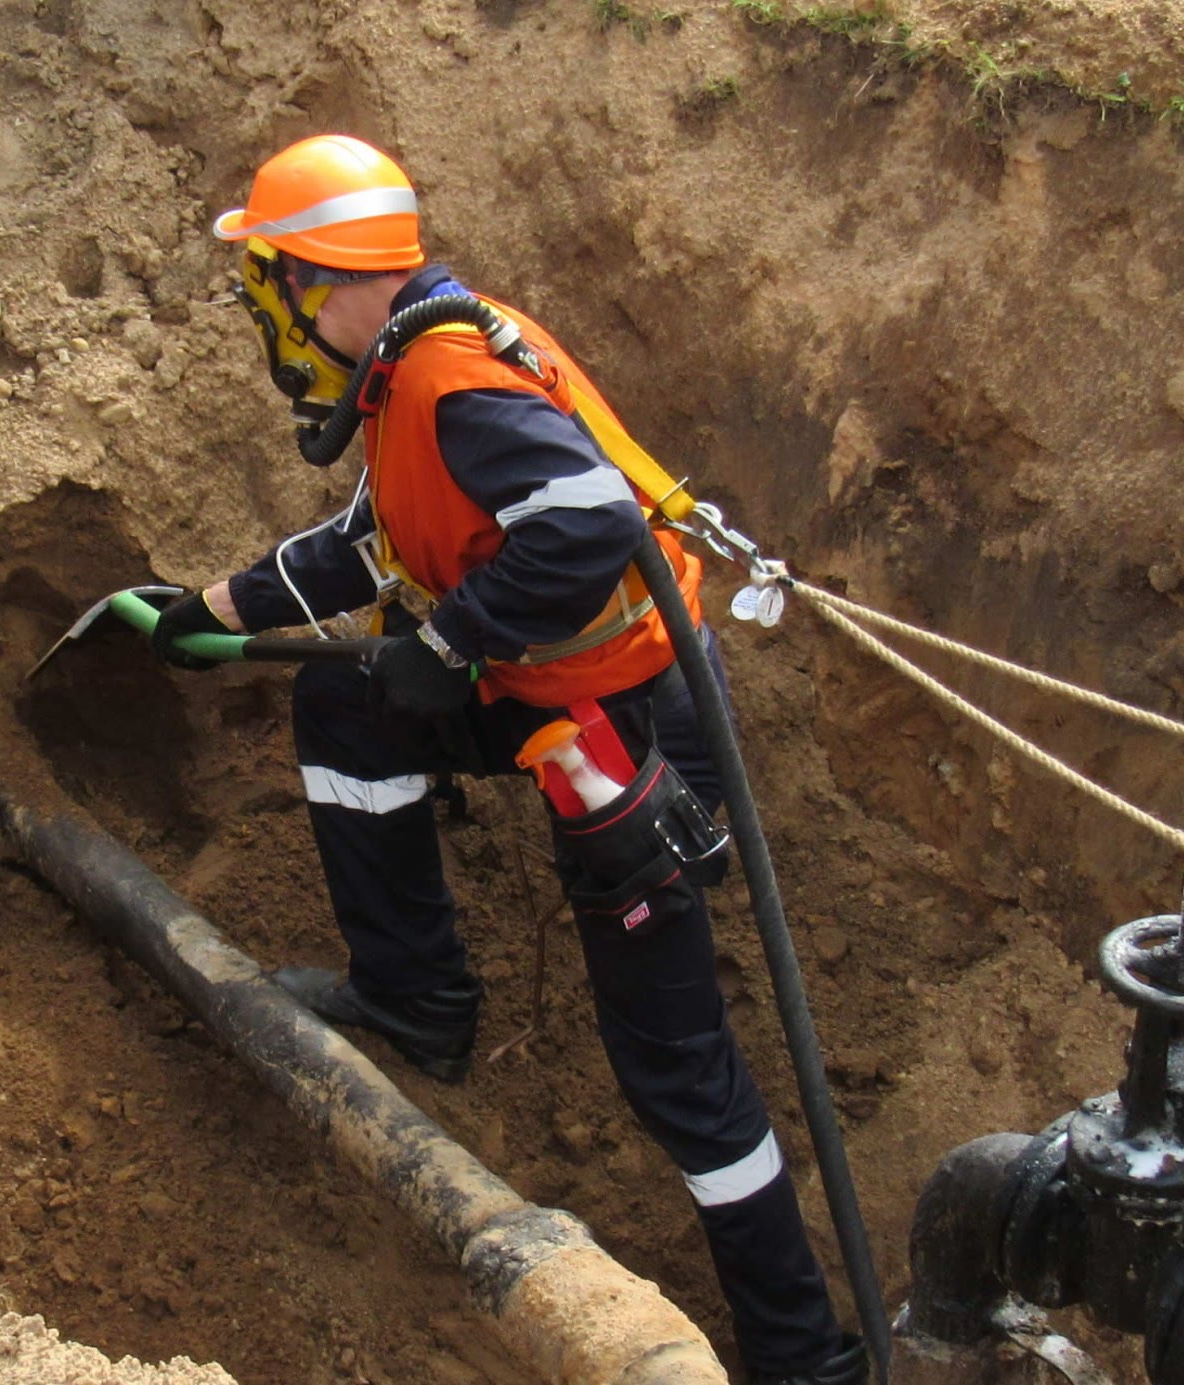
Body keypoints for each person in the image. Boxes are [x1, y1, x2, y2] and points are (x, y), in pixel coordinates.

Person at [153, 134, 867, 1385]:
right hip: (538, 689)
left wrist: (455, 639)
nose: (267, 319)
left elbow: (585, 525)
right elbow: (380, 536)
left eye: (268, 288)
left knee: (673, 1059)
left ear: (312, 283)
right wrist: (218, 604)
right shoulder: (417, 361)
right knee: (352, 708)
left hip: (623, 727)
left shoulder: (449, 381)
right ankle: (416, 1002)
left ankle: (802, 1354)